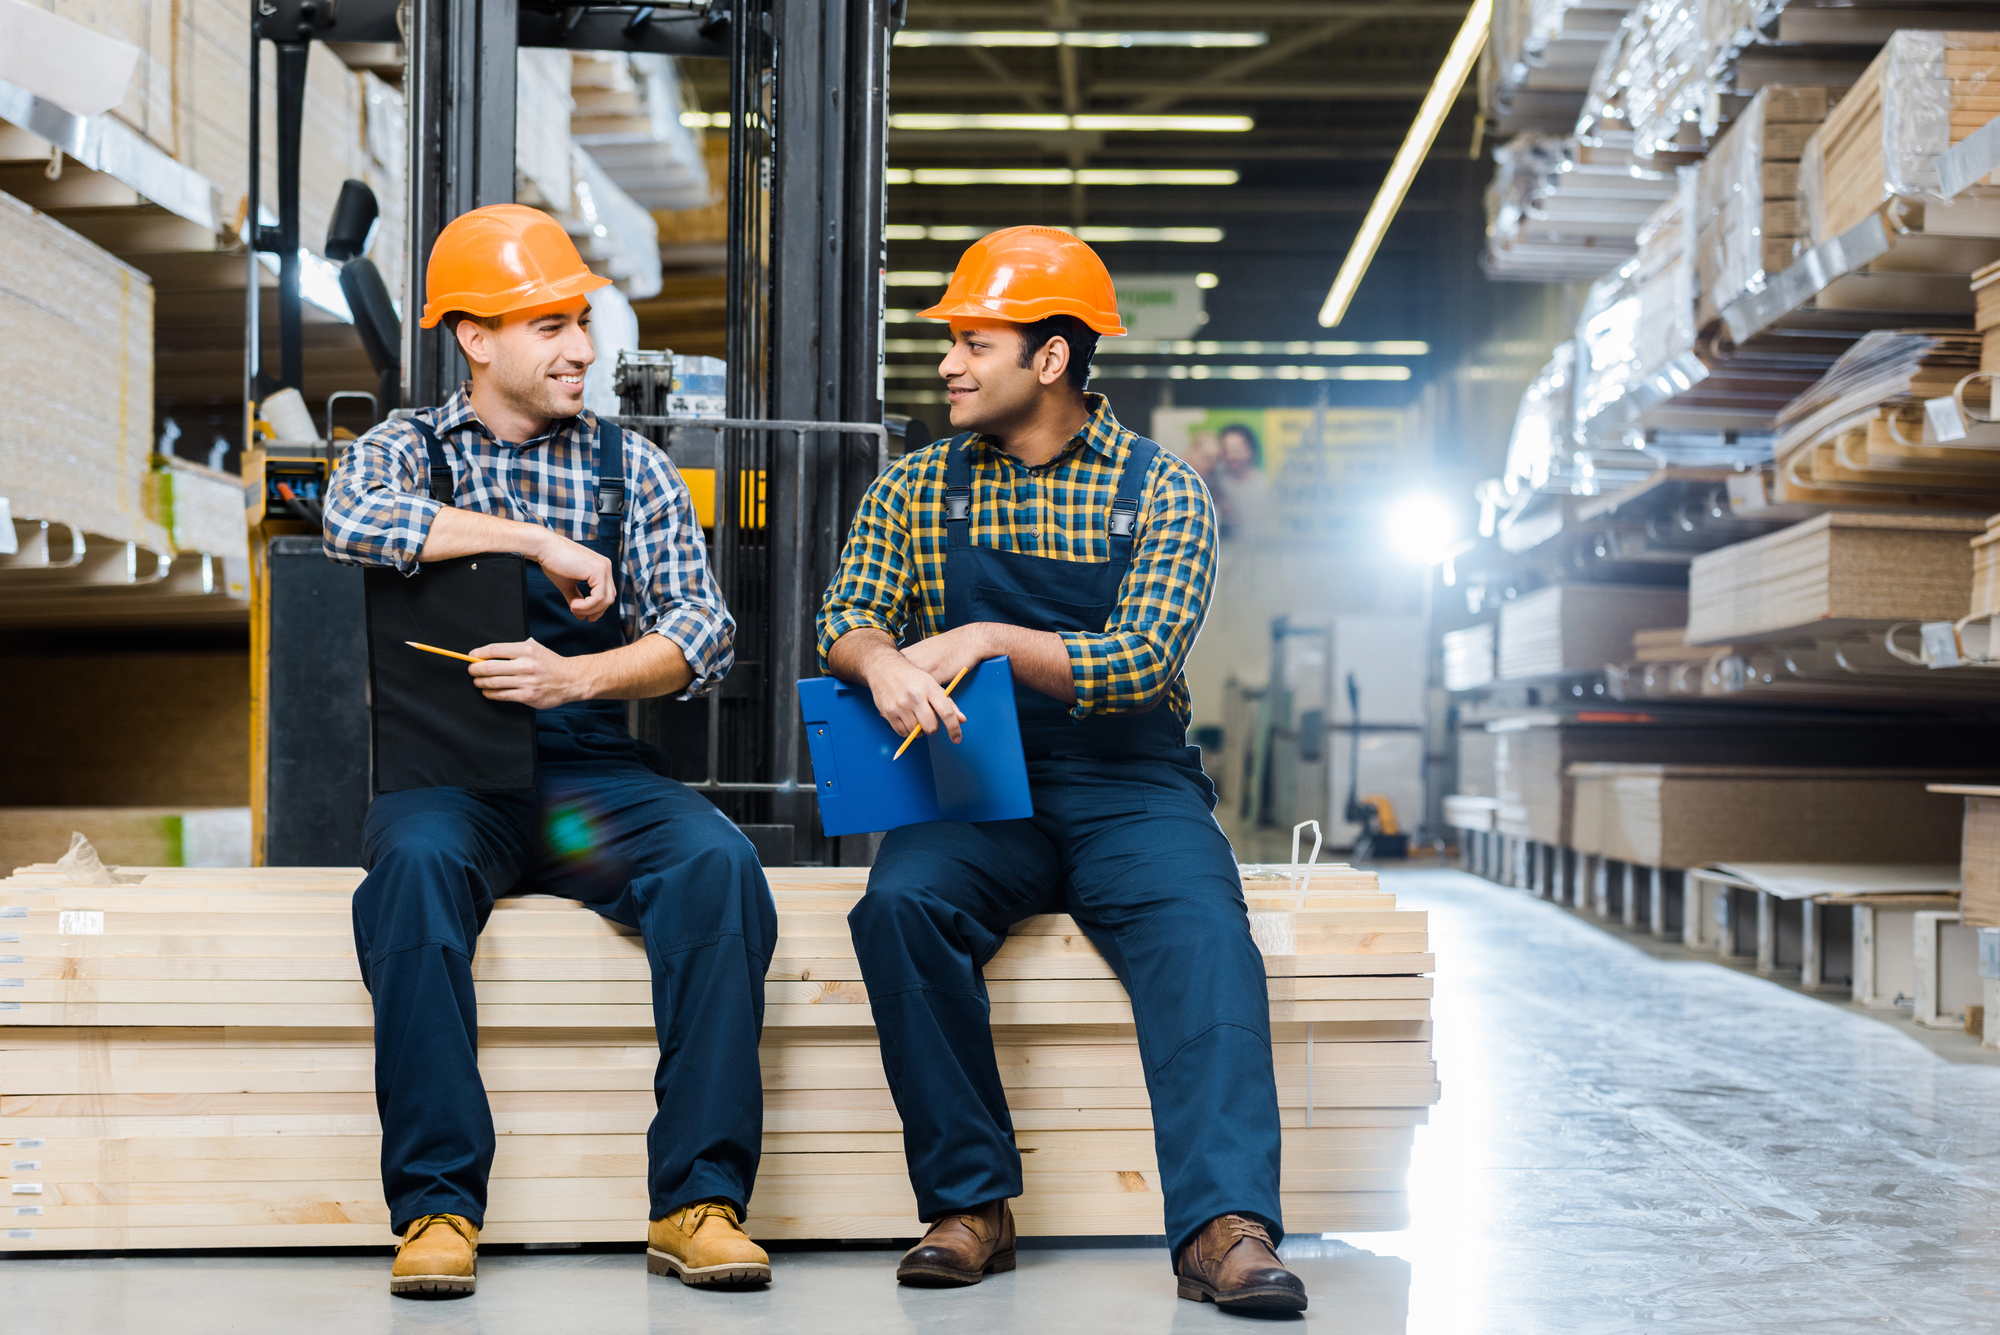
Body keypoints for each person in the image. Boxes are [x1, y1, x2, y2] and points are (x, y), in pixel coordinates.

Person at [816, 227, 1306, 1314]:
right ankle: (970, 1203)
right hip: (975, 781)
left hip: (1127, 780)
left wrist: (986, 636)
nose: (946, 361)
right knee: (897, 906)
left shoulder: (1164, 494)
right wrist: (879, 663)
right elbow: (843, 617)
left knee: (1204, 938)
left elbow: (1138, 662)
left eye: (972, 340)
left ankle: (1223, 1227)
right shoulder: (915, 488)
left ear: (1048, 360)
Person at [323, 204, 775, 1298]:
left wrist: (580, 675)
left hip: (583, 779)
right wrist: (532, 538)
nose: (578, 347)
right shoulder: (407, 448)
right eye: (546, 324)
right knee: (415, 877)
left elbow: (700, 636)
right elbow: (350, 518)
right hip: (451, 777)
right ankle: (436, 1209)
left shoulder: (634, 470)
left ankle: (696, 1202)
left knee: (718, 868)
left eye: (580, 320)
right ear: (474, 339)